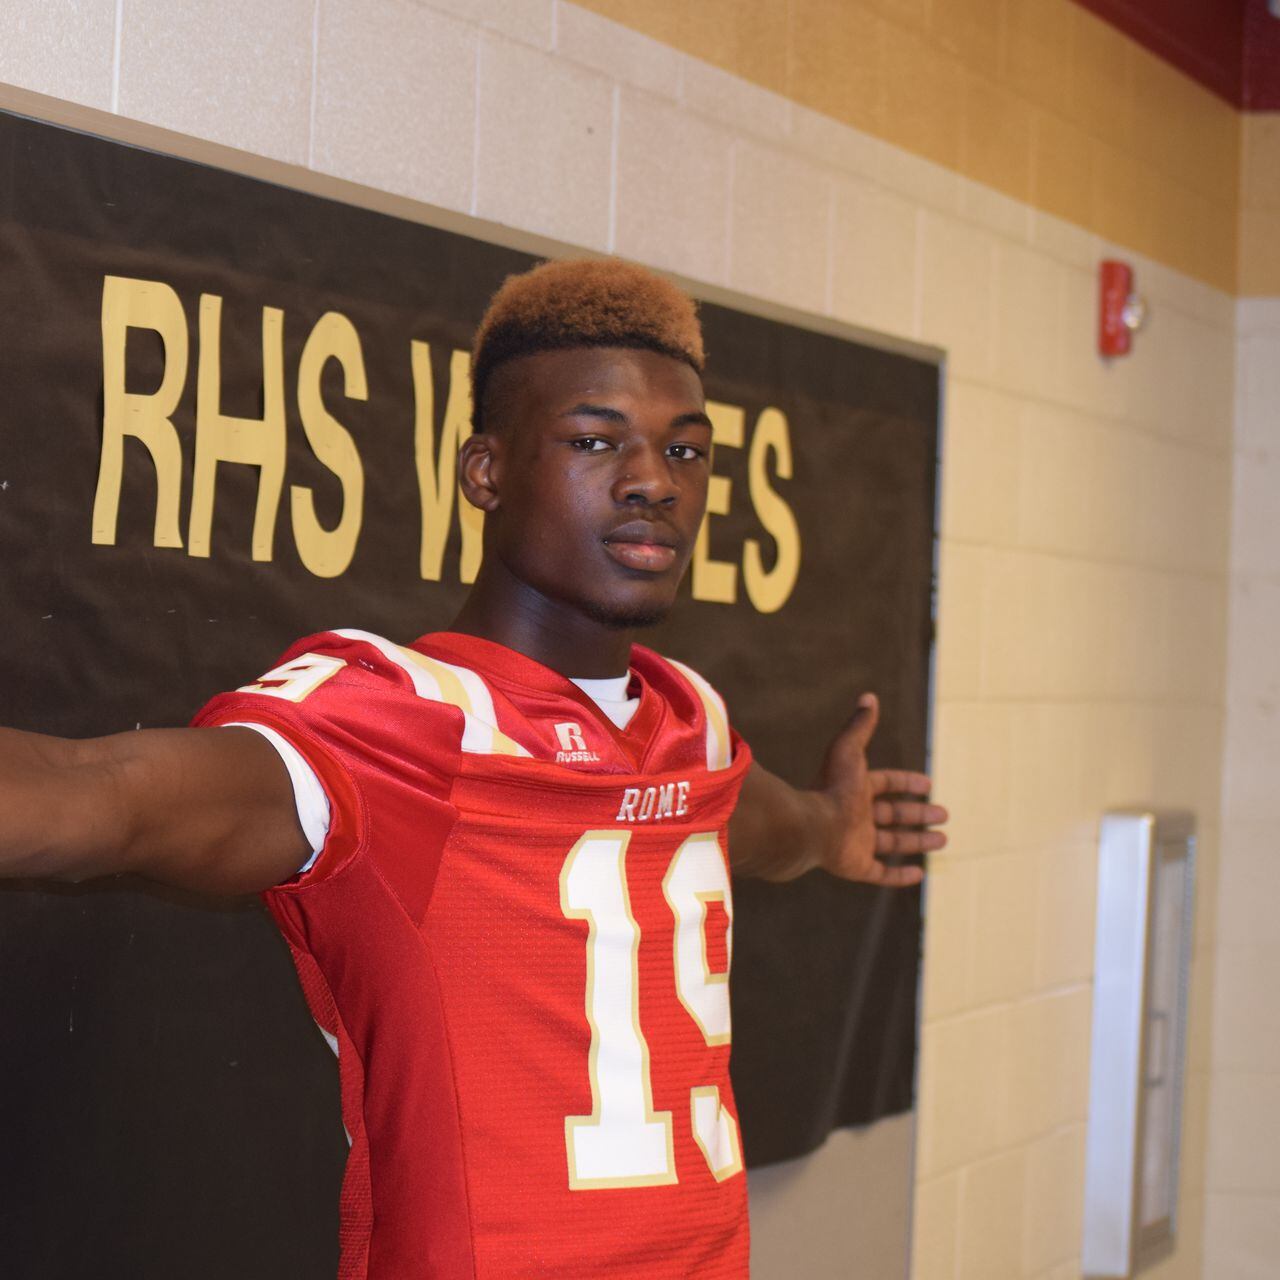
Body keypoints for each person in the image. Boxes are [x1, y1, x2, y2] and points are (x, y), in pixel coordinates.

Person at [0, 258, 947, 1277]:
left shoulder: (692, 724)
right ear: (484, 472)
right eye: (595, 440)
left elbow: (752, 826)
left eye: (684, 449)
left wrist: (827, 824)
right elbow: (98, 799)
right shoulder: (397, 724)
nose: (653, 480)